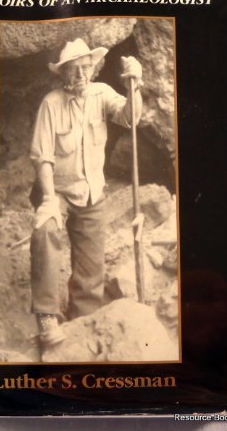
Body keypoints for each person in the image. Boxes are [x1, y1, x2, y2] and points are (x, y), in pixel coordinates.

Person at [30, 38, 143, 350]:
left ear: (94, 69)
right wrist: (50, 200)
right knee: (46, 230)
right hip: (58, 191)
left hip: (92, 192)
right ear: (62, 73)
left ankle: (80, 321)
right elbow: (42, 157)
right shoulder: (51, 103)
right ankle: (46, 315)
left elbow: (130, 118)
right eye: (73, 69)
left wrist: (135, 86)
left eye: (85, 67)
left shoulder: (101, 94)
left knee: (92, 270)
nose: (80, 74)